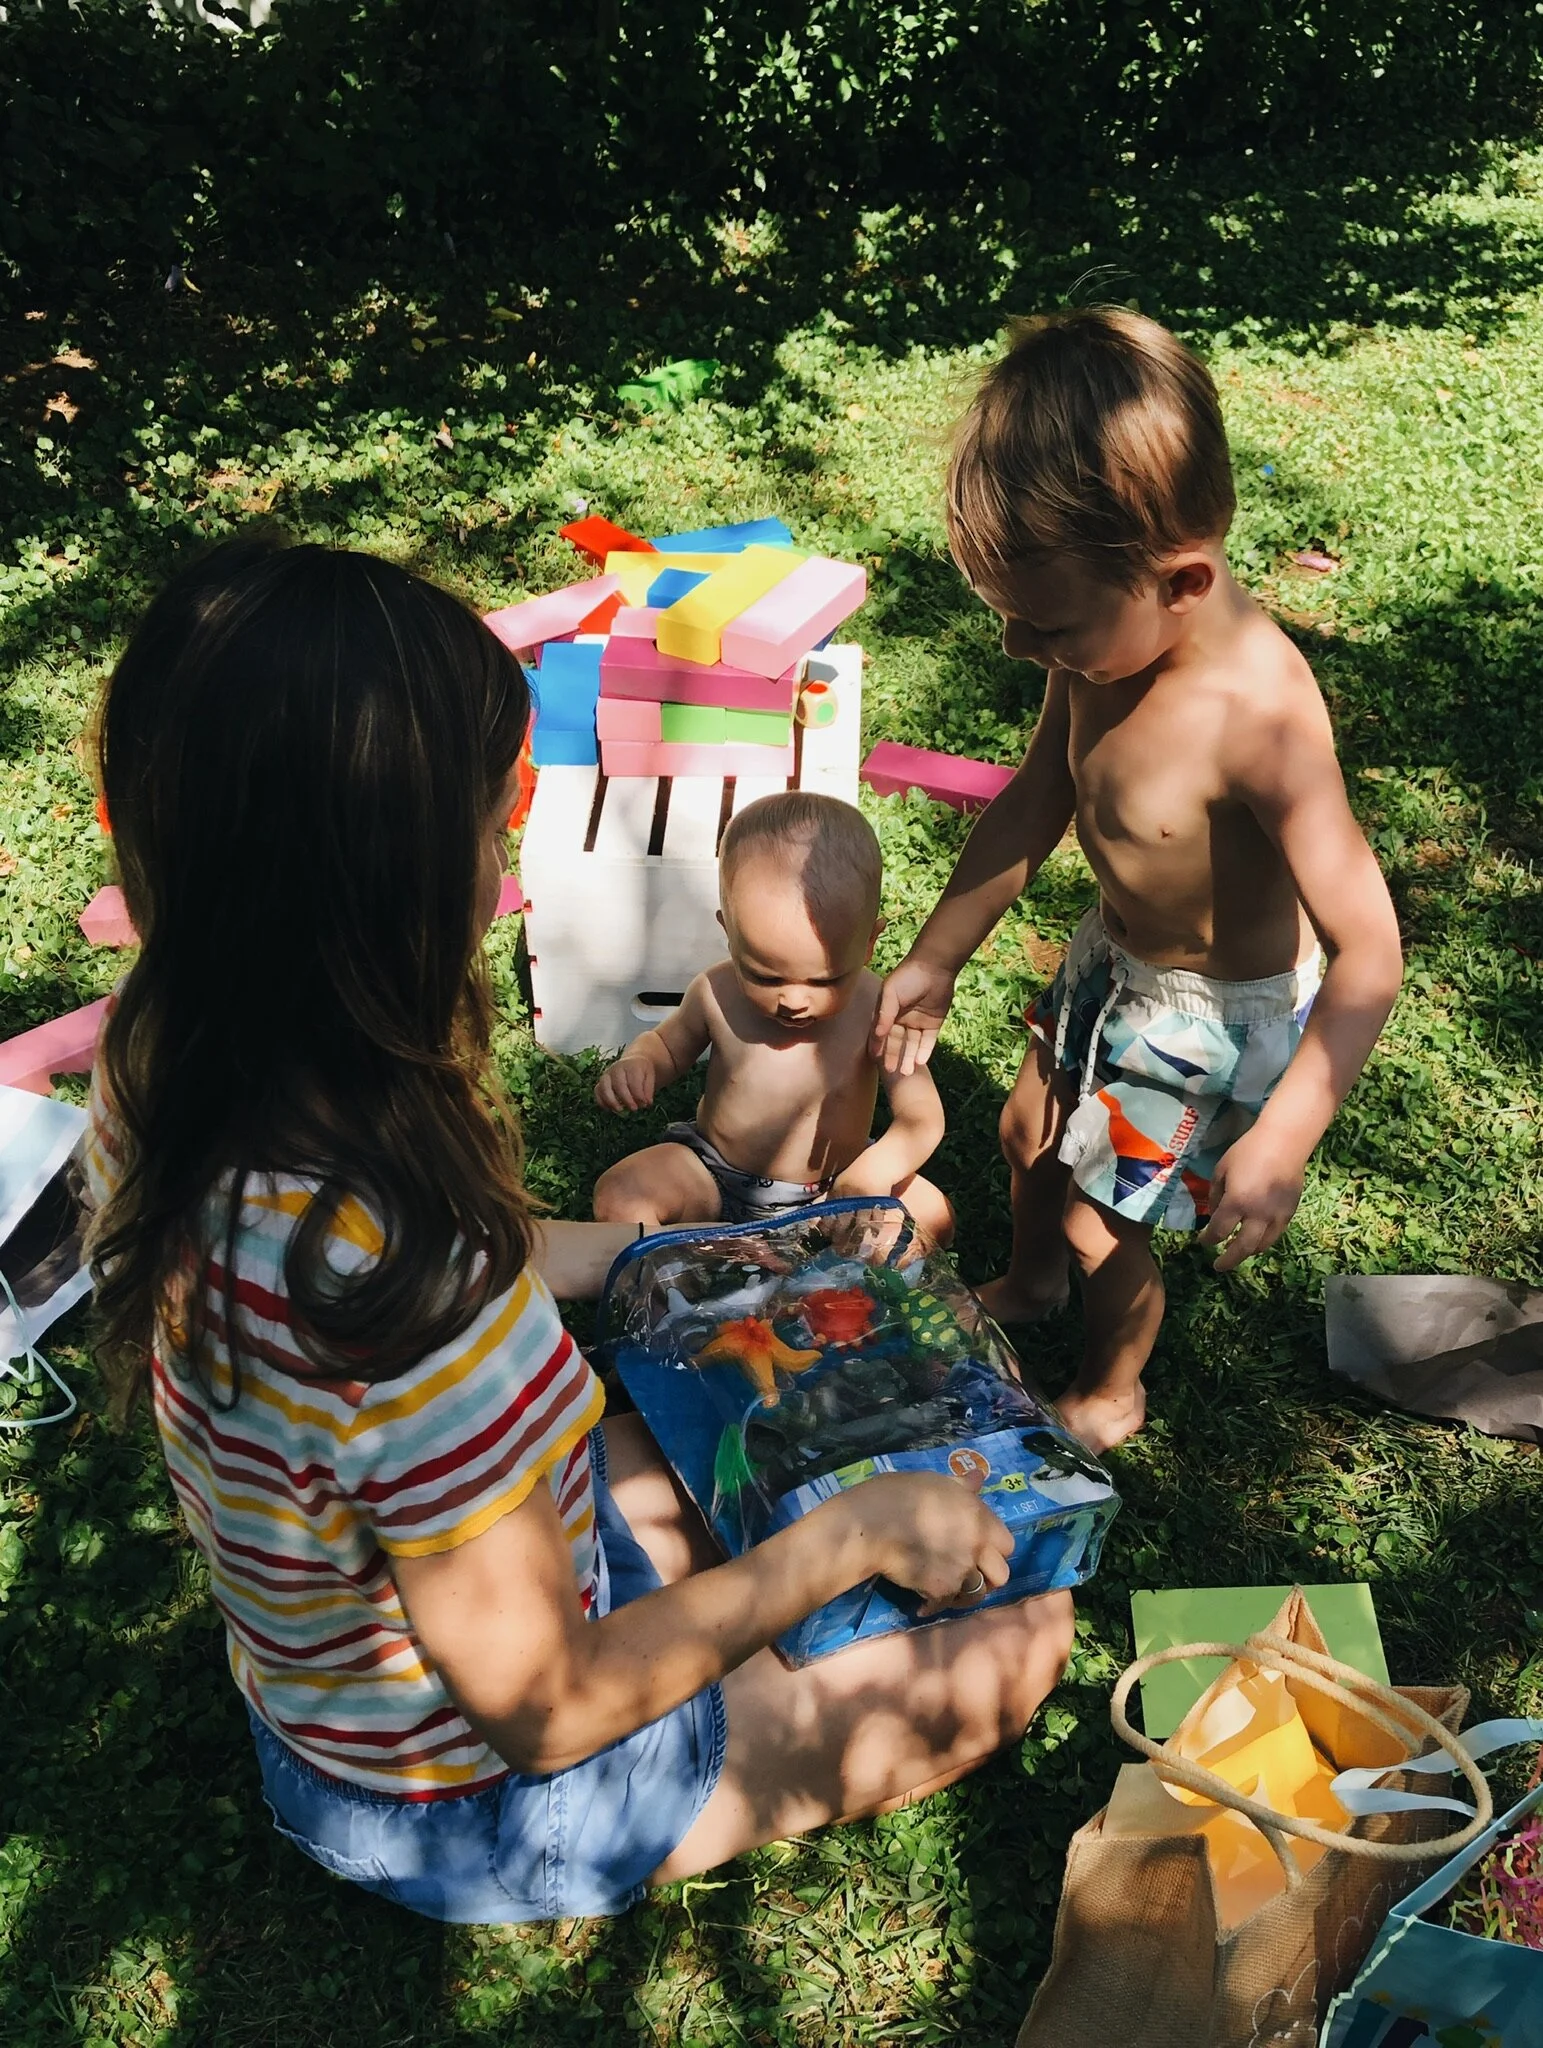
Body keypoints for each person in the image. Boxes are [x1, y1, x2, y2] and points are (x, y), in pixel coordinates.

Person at [84, 535, 1073, 1925]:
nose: (501, 873)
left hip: (353, 1680)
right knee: (1018, 1631)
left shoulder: (165, 1060)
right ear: (386, 890)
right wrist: (846, 1540)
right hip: (479, 1800)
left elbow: (485, 1297)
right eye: (489, 834)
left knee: (735, 1455)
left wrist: (706, 1260)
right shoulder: (403, 1296)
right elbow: (544, 1708)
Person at [873, 308, 1403, 1455]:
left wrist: (1286, 1134)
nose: (1019, 649)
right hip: (1110, 960)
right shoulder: (1103, 639)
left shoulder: (1258, 718)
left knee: (1100, 1222)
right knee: (1024, 1132)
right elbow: (1035, 796)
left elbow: (1370, 950)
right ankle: (1030, 1287)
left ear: (1182, 579)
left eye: (1042, 626)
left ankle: (1112, 1386)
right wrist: (934, 955)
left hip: (1205, 1019)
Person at [592, 790, 954, 1242]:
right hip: (714, 1175)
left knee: (934, 1216)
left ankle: (727, 1252)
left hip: (836, 1190)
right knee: (621, 1194)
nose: (794, 1001)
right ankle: (711, 1252)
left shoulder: (877, 1008)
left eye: (824, 980)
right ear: (728, 933)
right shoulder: (716, 991)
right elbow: (667, 1045)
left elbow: (922, 1115)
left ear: (869, 944)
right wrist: (640, 1062)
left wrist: (871, 1173)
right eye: (765, 977)